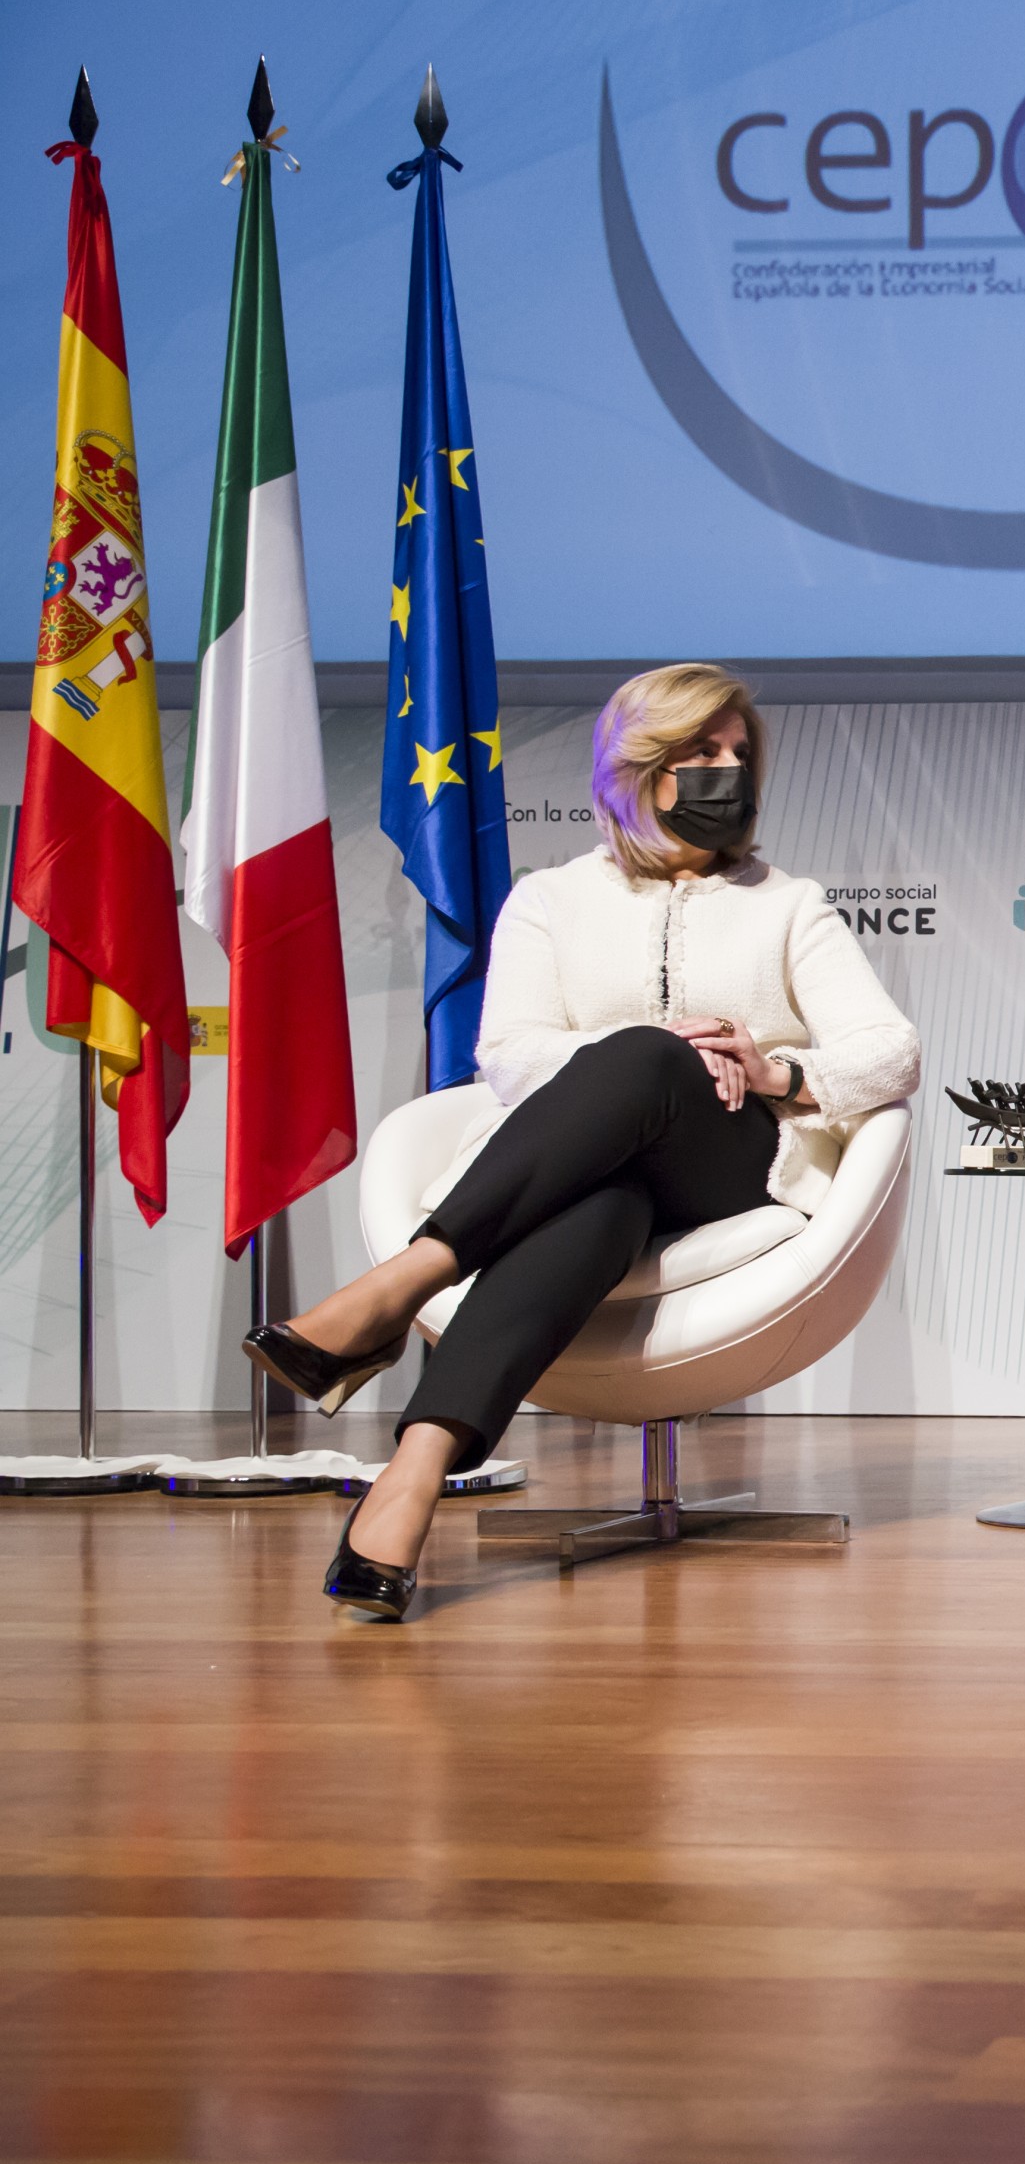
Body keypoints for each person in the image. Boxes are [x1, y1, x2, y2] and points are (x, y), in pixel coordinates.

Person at [244, 665, 921, 1620]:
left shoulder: (788, 903)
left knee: (650, 1059)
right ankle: (415, 1472)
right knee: (606, 1204)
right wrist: (640, 1049)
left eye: (740, 753)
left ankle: (403, 1283)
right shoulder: (550, 901)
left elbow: (892, 1049)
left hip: (729, 1164)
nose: (730, 769)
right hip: (590, 1179)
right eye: (703, 751)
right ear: (639, 771)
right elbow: (510, 1054)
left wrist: (773, 1070)